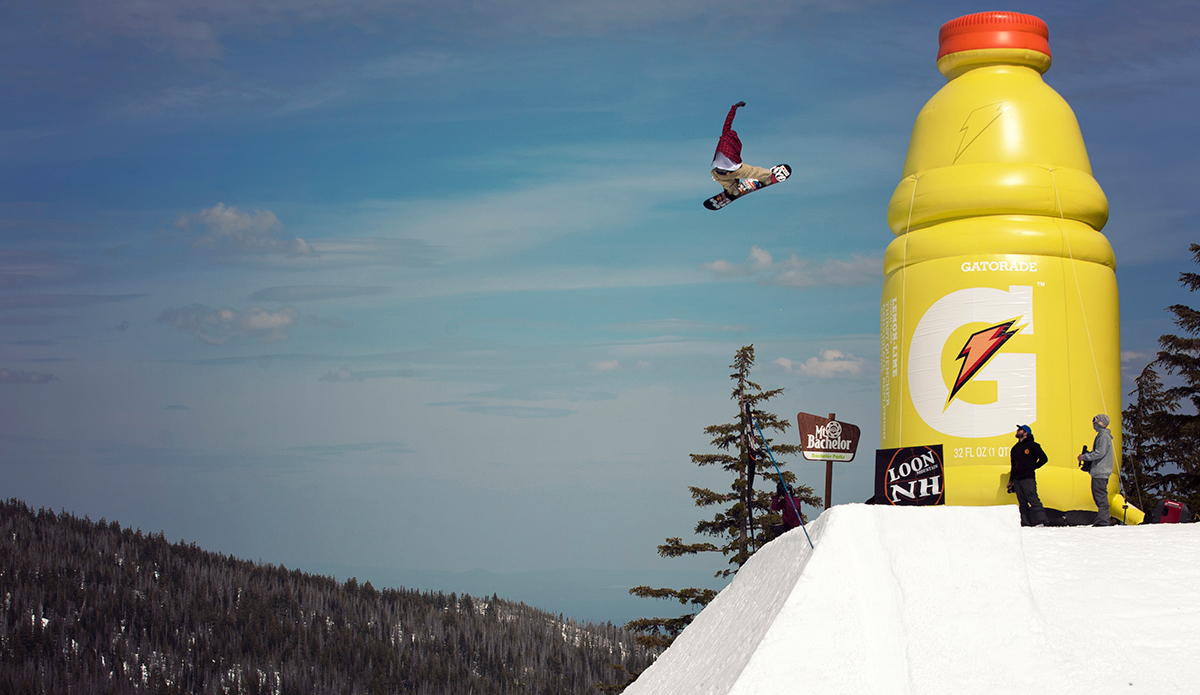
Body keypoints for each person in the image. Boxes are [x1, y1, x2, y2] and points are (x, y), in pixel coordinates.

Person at [711, 101, 777, 199]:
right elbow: (735, 167)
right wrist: (737, 179)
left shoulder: (724, 137)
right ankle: (766, 177)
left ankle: (733, 190)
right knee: (752, 171)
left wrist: (735, 107)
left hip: (719, 173)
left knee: (718, 176)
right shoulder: (734, 148)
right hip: (734, 171)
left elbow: (728, 122)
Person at [1007, 424, 1048, 527]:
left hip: (1028, 478)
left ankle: (1042, 521)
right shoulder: (1015, 448)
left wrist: (1033, 467)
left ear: (1026, 433)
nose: (1017, 431)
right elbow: (1013, 465)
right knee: (1022, 502)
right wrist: (1011, 480)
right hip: (1017, 479)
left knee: (1033, 499)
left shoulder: (1032, 445)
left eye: (1020, 429)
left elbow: (1044, 458)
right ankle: (1025, 523)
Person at [1077, 413, 1114, 526]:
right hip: (1100, 471)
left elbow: (1100, 453)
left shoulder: (1103, 436)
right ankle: (1103, 519)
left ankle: (1103, 520)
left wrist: (1085, 457)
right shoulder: (1104, 436)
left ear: (1100, 423)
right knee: (1098, 495)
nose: (1093, 424)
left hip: (1100, 471)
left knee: (1100, 496)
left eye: (1095, 421)